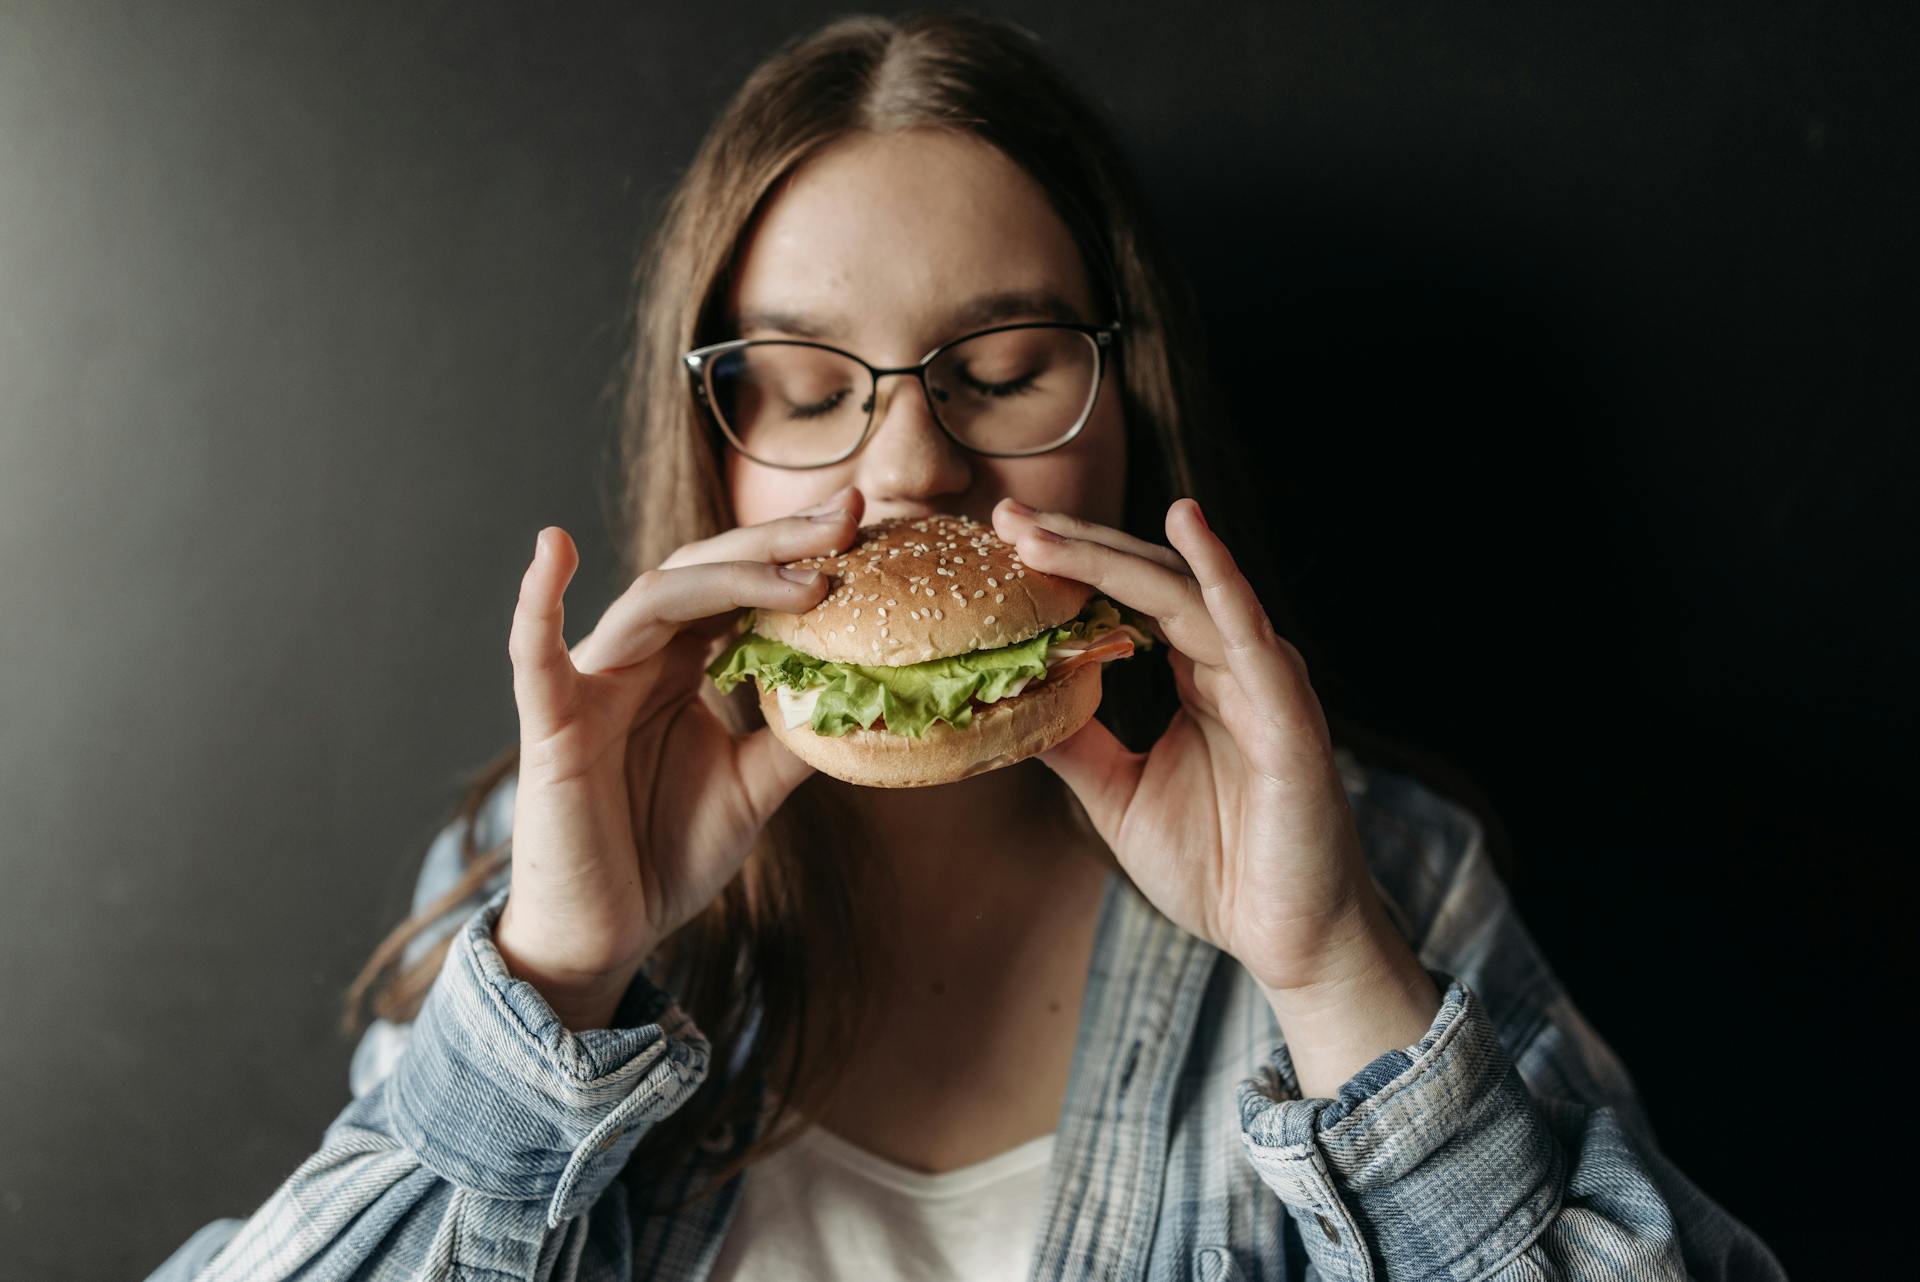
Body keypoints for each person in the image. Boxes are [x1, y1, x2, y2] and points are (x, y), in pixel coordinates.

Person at [146, 11, 1787, 1281]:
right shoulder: (528, 878)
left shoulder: (1390, 881)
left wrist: (1331, 973)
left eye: (1000, 370)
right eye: (802, 385)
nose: (913, 468)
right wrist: (559, 978)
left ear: (1126, 416)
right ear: (713, 444)